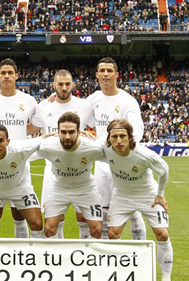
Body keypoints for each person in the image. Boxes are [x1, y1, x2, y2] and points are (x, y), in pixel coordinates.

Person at [103, 118, 178, 281]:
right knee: (113, 234)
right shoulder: (105, 149)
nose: (119, 141)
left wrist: (160, 194)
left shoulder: (144, 154)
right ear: (109, 138)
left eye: (123, 136)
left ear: (130, 137)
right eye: (114, 137)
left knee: (163, 234)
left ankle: (166, 280)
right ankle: (120, 275)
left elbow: (164, 169)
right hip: (121, 196)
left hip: (148, 196)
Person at [28, 69, 96, 239]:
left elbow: (97, 129)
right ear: (54, 85)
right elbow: (30, 129)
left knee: (84, 218)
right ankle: (59, 259)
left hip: (80, 170)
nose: (64, 87)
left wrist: (91, 135)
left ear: (73, 84)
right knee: (54, 221)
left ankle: (84, 255)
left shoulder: (84, 105)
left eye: (67, 84)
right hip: (53, 171)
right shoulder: (44, 106)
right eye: (60, 84)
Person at [86, 57, 147, 240]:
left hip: (123, 161)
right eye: (102, 71)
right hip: (102, 162)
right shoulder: (92, 99)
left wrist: (124, 149)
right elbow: (76, 117)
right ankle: (108, 253)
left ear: (117, 75)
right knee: (103, 207)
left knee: (132, 208)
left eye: (109, 71)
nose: (105, 74)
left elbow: (137, 127)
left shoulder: (127, 100)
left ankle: (140, 252)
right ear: (97, 75)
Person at [0, 58, 37, 238]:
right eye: (3, 73)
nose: (6, 76)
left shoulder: (28, 100)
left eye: (10, 73)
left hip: (19, 165)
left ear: (17, 76)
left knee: (19, 213)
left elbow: (34, 127)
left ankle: (22, 255)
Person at [37, 112, 104, 238]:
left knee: (97, 230)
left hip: (86, 190)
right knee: (49, 229)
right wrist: (42, 137)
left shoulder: (92, 147)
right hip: (59, 190)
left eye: (71, 132)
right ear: (58, 132)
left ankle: (86, 256)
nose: (67, 136)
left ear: (79, 132)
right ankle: (58, 257)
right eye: (63, 132)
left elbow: (114, 154)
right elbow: (23, 152)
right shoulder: (48, 146)